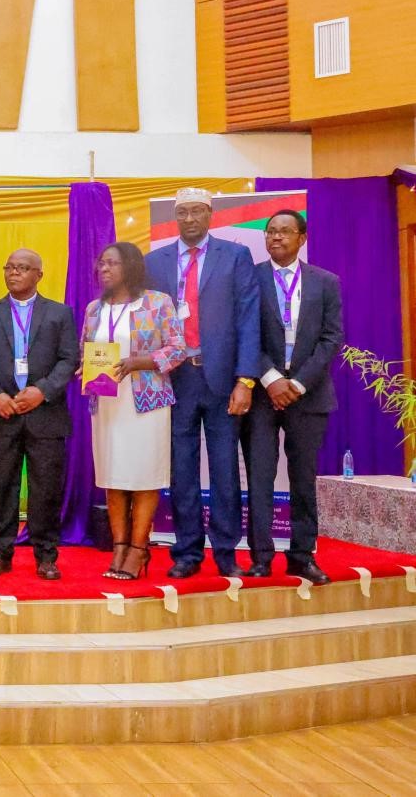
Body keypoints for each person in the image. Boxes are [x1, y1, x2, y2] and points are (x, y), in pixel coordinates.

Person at [146, 187, 260, 579]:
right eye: (183, 213)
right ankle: (187, 552)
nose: (190, 219)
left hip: (222, 379)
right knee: (182, 470)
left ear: (211, 215)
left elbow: (248, 320)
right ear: (175, 217)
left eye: (198, 212)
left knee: (226, 469)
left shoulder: (235, 256)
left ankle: (226, 550)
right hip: (174, 379)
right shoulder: (154, 261)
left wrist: (246, 379)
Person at [242, 210, 343, 585]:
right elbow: (245, 333)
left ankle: (302, 555)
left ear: (302, 237)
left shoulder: (325, 282)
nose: (276, 238)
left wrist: (297, 384)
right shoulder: (250, 278)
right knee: (260, 477)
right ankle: (261, 556)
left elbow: (331, 338)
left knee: (303, 478)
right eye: (270, 232)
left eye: (285, 231)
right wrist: (270, 379)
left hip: (309, 395)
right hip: (264, 395)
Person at [0, 249, 78, 580]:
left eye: (22, 268)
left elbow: (69, 359)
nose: (14, 273)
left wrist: (42, 391)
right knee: (1, 487)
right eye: (10, 268)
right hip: (2, 412)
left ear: (39, 275)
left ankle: (46, 555)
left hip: (45, 413)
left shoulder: (60, 313)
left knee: (46, 488)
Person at [84, 242, 187, 579]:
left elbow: (177, 350)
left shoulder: (157, 303)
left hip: (146, 402)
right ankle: (118, 547)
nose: (104, 269)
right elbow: (88, 349)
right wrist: (83, 365)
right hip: (107, 402)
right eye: (101, 263)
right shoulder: (93, 310)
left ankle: (139, 550)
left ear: (130, 266)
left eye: (112, 263)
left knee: (143, 477)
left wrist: (139, 362)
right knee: (113, 477)